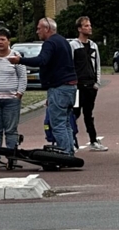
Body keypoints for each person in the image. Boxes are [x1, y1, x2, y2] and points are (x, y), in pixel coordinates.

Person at [9, 17, 77, 155]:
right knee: (66, 123)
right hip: (71, 87)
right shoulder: (64, 41)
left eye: (39, 28)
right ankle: (70, 151)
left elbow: (42, 60)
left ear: (47, 29)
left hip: (59, 87)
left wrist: (19, 60)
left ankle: (65, 154)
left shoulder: (50, 43)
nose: (37, 31)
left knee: (57, 123)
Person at [70, 16, 107, 151]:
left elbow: (97, 64)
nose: (89, 28)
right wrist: (72, 83)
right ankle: (72, 141)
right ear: (79, 29)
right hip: (78, 86)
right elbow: (70, 65)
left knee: (88, 114)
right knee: (75, 113)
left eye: (89, 25)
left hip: (91, 86)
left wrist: (97, 82)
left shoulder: (93, 46)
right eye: (86, 26)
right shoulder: (73, 46)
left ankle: (93, 140)